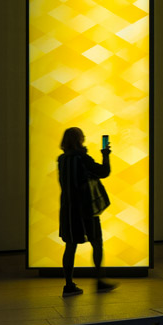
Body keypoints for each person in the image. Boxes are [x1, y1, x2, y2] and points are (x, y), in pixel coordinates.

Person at [58, 126, 116, 297]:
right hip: (86, 209)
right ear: (79, 140)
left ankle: (68, 284)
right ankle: (99, 281)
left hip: (68, 210)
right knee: (97, 242)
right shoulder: (82, 158)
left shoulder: (62, 160)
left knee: (70, 245)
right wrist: (105, 154)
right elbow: (104, 172)